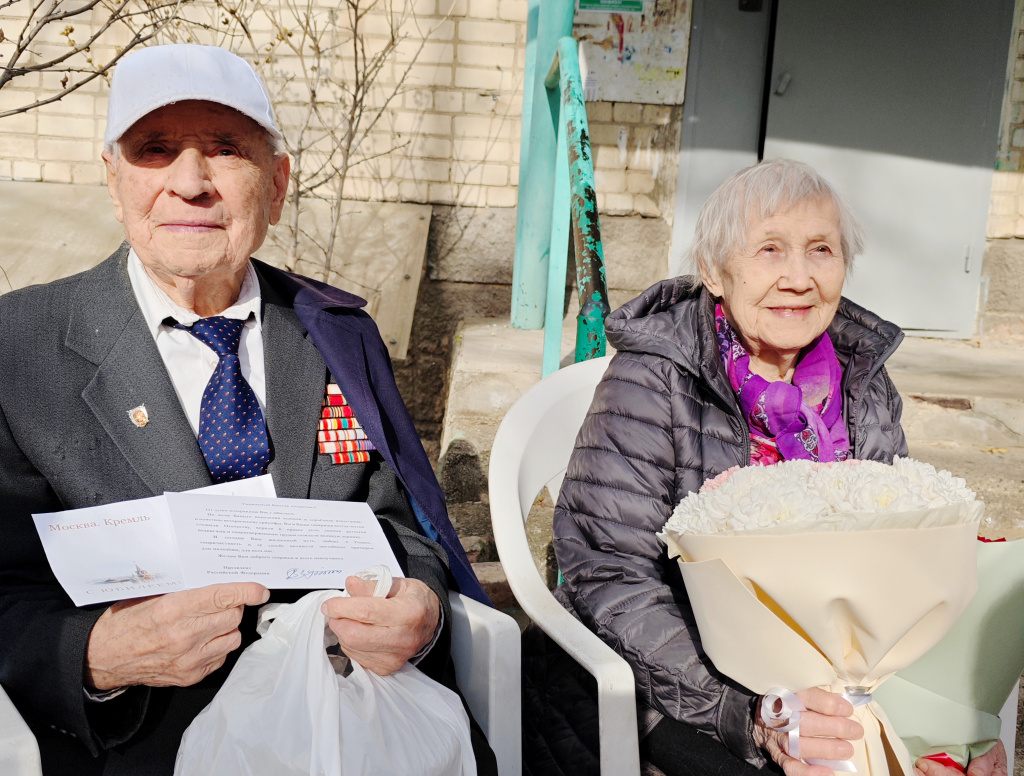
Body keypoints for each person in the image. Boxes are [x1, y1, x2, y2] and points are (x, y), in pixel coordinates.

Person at [0, 43, 495, 776]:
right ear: (115, 180)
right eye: (156, 149)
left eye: (226, 150)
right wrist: (94, 655)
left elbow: (399, 526)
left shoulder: (338, 335)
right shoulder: (20, 348)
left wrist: (416, 608)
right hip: (137, 747)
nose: (191, 183)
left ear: (277, 182)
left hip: (349, 730)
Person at [540, 159, 1006, 776]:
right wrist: (755, 715)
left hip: (840, 680)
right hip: (679, 684)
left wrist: (955, 725)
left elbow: (907, 558)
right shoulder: (652, 377)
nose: (799, 277)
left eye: (821, 249)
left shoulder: (862, 379)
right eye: (769, 250)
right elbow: (610, 572)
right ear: (713, 271)